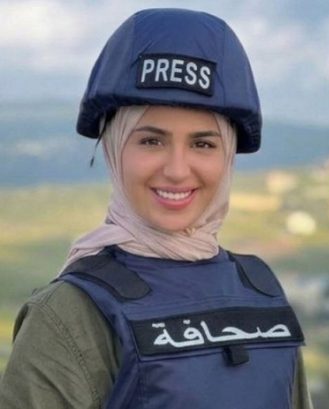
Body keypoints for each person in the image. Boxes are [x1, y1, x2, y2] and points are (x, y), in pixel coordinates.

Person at [0, 8, 312, 409]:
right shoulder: (70, 315)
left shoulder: (262, 295)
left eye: (203, 143)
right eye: (151, 141)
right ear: (113, 148)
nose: (177, 170)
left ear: (228, 156)